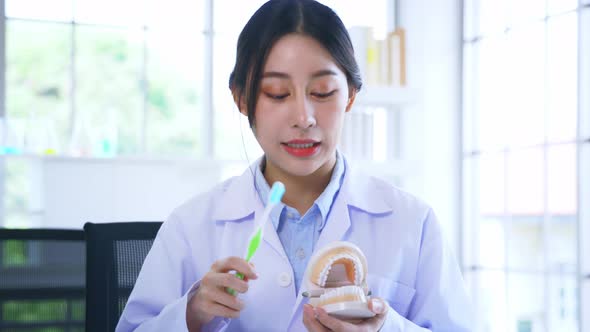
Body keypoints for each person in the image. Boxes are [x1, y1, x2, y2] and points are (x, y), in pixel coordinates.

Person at [116, 0, 473, 331]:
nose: (303, 117)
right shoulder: (191, 226)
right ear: (242, 98)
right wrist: (191, 314)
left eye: (322, 93)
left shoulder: (414, 223)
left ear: (350, 95)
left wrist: (385, 328)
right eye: (277, 94)